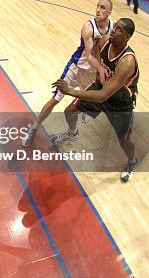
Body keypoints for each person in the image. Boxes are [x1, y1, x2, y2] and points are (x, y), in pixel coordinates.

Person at [53, 18, 139, 183]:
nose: (114, 30)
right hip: (102, 88)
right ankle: (72, 133)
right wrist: (100, 67)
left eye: (120, 29)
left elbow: (103, 96)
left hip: (119, 103)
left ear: (127, 37)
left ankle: (132, 162)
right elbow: (95, 52)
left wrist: (70, 91)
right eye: (115, 27)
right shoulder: (106, 40)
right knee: (69, 111)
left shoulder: (127, 61)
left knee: (124, 140)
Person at [22, 0, 114, 147]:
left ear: (109, 12)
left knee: (88, 102)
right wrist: (101, 68)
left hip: (92, 74)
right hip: (76, 67)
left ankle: (72, 132)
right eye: (97, 6)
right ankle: (34, 128)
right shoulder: (89, 27)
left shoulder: (113, 28)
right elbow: (90, 55)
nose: (98, 10)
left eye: (103, 8)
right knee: (55, 99)